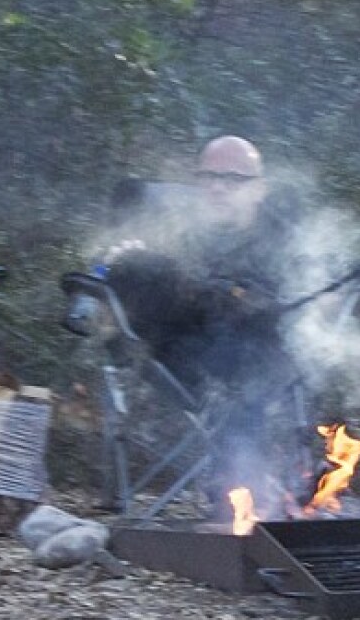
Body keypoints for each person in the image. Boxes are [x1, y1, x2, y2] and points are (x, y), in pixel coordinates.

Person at [102, 135, 308, 516]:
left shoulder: (281, 242)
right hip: (181, 365)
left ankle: (239, 496)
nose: (216, 188)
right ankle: (237, 496)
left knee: (249, 350)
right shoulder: (179, 235)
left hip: (257, 366)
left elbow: (281, 311)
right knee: (139, 270)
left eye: (232, 179)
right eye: (208, 177)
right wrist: (124, 267)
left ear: (259, 189)